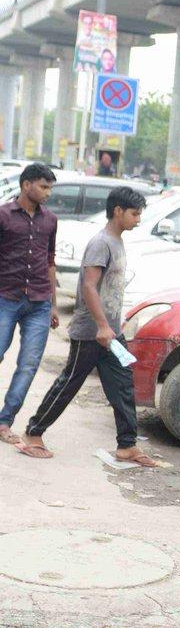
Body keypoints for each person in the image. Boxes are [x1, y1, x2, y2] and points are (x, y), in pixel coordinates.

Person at [18, 186, 160, 467]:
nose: (138, 219)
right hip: (92, 332)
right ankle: (33, 434)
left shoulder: (116, 241)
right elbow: (89, 286)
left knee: (122, 385)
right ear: (118, 211)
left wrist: (112, 328)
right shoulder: (101, 242)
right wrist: (101, 326)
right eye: (134, 213)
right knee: (69, 383)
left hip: (111, 332)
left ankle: (127, 445)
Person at [0, 163, 59, 443]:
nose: (48, 193)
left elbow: (49, 261)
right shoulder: (3, 216)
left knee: (28, 365)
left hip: (39, 302)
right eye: (43, 186)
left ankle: (4, 421)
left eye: (50, 187)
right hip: (6, 298)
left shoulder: (50, 220)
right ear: (26, 185)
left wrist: (54, 304)